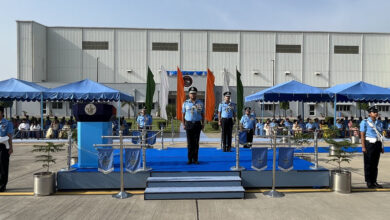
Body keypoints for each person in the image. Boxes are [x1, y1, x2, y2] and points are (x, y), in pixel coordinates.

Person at [360, 106, 384, 189]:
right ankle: (369, 182)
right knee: (368, 164)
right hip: (369, 144)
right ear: (370, 113)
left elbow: (380, 135)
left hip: (377, 144)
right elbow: (362, 135)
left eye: (376, 111)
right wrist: (363, 146)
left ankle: (374, 181)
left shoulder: (379, 123)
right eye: (374, 112)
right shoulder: (365, 122)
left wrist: (382, 146)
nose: (376, 113)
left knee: (375, 164)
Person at [182, 87, 204, 164]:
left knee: (196, 142)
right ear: (189, 94)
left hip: (197, 124)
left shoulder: (200, 103)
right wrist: (183, 124)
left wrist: (203, 123)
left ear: (196, 94)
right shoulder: (185, 103)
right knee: (190, 142)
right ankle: (189, 159)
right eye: (191, 93)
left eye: (194, 93)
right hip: (189, 124)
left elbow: (202, 114)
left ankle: (195, 159)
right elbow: (183, 114)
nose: (193, 95)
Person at [0, 107, 13, 192]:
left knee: (3, 166)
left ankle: (2, 185)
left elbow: (9, 136)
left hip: (3, 147)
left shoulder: (7, 123)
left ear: (2, 113)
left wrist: (11, 147)